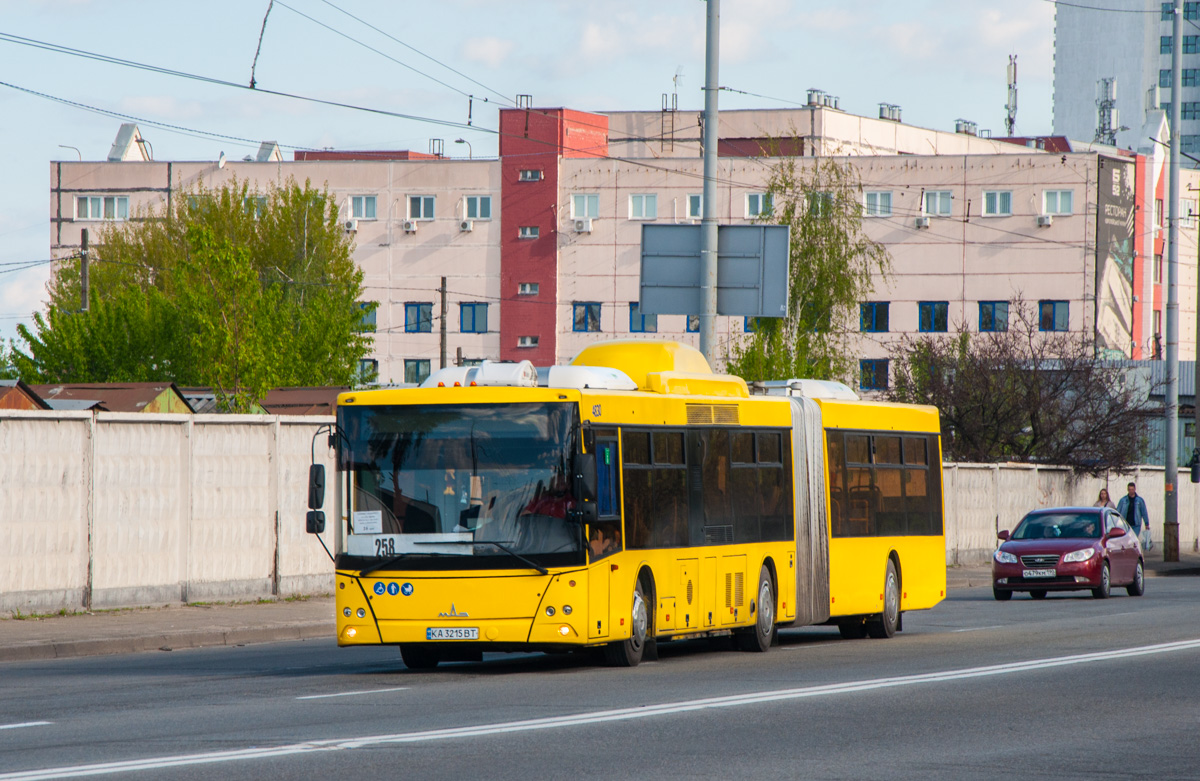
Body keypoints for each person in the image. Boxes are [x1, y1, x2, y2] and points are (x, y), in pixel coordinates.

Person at [1116, 482, 1152, 550]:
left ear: (1135, 489)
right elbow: (1118, 511)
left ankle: (1133, 551)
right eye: (1129, 489)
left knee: (1133, 539)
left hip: (1136, 524)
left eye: (1132, 489)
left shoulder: (1139, 500)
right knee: (1126, 539)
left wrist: (1146, 523)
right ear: (1127, 489)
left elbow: (1144, 512)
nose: (1131, 491)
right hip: (1125, 524)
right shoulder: (1123, 500)